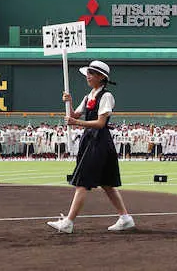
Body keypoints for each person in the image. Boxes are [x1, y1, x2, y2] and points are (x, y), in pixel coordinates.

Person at [47, 61, 134, 234]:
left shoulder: (106, 96)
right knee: (107, 183)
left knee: (83, 182)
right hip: (91, 140)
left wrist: (76, 122)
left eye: (91, 73)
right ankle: (125, 218)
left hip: (98, 142)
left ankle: (68, 222)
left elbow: (101, 123)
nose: (88, 76)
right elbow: (73, 115)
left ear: (101, 77)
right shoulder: (89, 96)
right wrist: (69, 103)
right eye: (88, 73)